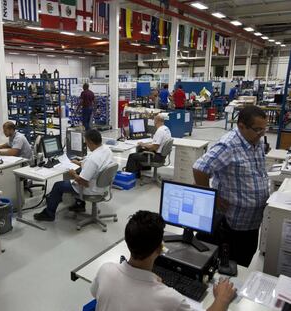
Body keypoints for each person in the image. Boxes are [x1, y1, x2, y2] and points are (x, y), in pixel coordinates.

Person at [91, 210, 237, 311]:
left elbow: (96, 293)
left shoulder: (105, 270)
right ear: (160, 248)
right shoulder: (170, 299)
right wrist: (222, 298)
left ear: (128, 242)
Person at [193, 105, 269, 267]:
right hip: (233, 224)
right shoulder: (228, 146)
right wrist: (212, 196)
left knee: (246, 259)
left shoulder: (257, 140)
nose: (261, 134)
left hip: (252, 222)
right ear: (241, 126)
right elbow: (200, 168)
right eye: (257, 130)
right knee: (233, 266)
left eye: (264, 130)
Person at [33, 129, 113, 221]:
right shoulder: (106, 150)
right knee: (79, 173)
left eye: (86, 142)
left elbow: (83, 182)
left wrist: (73, 174)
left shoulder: (93, 159)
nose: (86, 145)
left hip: (90, 188)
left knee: (57, 186)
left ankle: (49, 214)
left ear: (90, 142)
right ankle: (79, 205)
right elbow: (96, 166)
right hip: (103, 186)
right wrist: (79, 163)